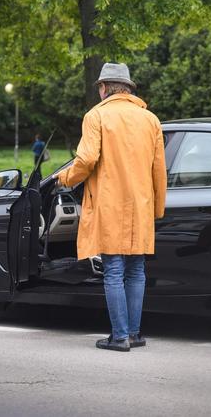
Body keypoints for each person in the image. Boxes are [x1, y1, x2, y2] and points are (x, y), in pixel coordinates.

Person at [53, 63, 167, 352]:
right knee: (137, 270)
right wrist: (158, 208)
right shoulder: (150, 120)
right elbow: (159, 171)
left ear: (104, 88)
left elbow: (87, 159)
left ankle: (119, 337)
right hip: (140, 206)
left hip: (110, 204)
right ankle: (135, 334)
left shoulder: (97, 116)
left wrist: (64, 177)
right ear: (128, 88)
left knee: (114, 270)